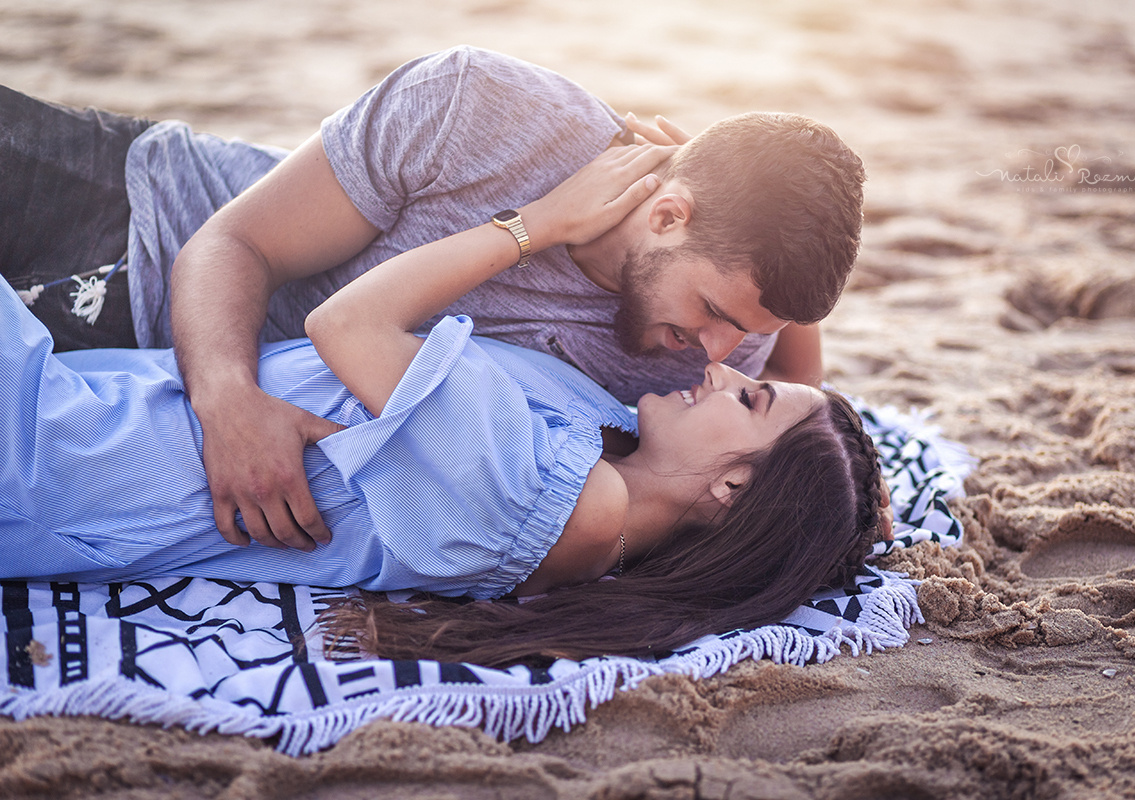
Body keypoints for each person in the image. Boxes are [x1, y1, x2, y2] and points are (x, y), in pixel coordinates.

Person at [1, 143, 884, 666]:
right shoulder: (600, 494)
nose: (724, 367)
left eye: (753, 396)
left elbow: (348, 322)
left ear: (731, 494)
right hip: (76, 413)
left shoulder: (552, 501)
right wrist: (843, 496)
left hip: (54, 448)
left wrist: (537, 222)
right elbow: (797, 419)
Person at [1, 47, 867, 553]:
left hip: (119, 400)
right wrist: (228, 401)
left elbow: (801, 435)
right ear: (669, 214)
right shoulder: (482, 109)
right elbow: (232, 244)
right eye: (715, 312)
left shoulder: (723, 350)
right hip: (138, 228)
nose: (715, 355)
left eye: (750, 337)